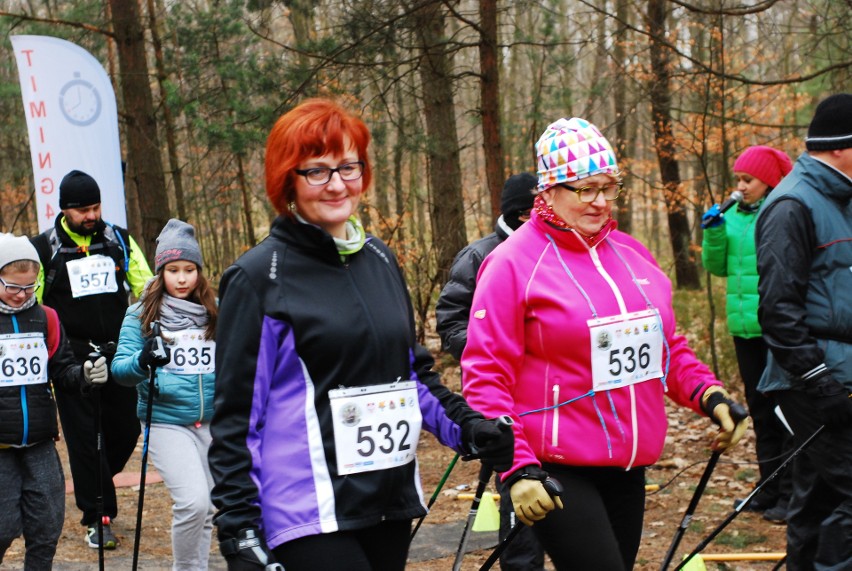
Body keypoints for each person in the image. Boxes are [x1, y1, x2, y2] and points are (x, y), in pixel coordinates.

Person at [207, 98, 514, 571]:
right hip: (308, 511)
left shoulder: (380, 259)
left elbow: (411, 377)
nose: (337, 184)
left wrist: (469, 429)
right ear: (288, 178)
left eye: (348, 167)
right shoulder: (257, 277)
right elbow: (235, 417)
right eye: (317, 171)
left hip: (386, 499)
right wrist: (238, 526)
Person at [460, 117, 750, 571]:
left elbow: (665, 346)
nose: (599, 201)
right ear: (549, 190)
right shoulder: (513, 263)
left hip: (628, 463)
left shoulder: (633, 254)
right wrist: (515, 466)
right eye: (585, 189)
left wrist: (709, 396)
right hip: (553, 463)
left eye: (609, 187)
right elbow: (485, 374)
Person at [30, 169, 153, 549]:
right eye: (83, 209)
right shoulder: (44, 248)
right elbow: (31, 304)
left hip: (119, 350)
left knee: (126, 428)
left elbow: (146, 288)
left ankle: (96, 482)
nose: (92, 215)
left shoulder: (120, 240)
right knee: (85, 440)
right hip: (70, 358)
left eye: (96, 207)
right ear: (65, 209)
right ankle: (97, 516)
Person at [754, 93, 852, 571]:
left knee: (815, 499)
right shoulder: (792, 204)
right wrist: (819, 380)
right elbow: (777, 309)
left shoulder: (841, 198)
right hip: (814, 380)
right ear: (841, 147)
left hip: (839, 374)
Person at [436, 172, 545, 571]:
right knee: (515, 481)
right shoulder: (480, 256)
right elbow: (449, 322)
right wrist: (495, 348)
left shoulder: (550, 253)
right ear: (520, 215)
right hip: (499, 395)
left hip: (551, 399)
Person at [111, 219, 217, 570]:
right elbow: (121, 370)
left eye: (190, 269)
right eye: (174, 270)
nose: (183, 278)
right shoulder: (141, 314)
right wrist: (144, 360)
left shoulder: (214, 312)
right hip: (166, 420)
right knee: (193, 502)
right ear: (161, 272)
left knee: (209, 507)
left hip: (212, 422)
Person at [0, 233, 108, 569]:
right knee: (3, 528)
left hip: (40, 442)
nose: (22, 295)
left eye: (30, 287)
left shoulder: (46, 317)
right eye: (13, 287)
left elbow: (62, 372)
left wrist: (86, 375)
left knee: (46, 527)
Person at [701, 145, 794, 523]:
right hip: (744, 329)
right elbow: (717, 268)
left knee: (784, 411)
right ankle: (768, 486)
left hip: (776, 329)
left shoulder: (781, 213)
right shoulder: (734, 217)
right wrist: (714, 233)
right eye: (737, 179)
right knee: (759, 410)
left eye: (748, 180)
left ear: (768, 182)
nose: (740, 187)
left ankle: (790, 493)